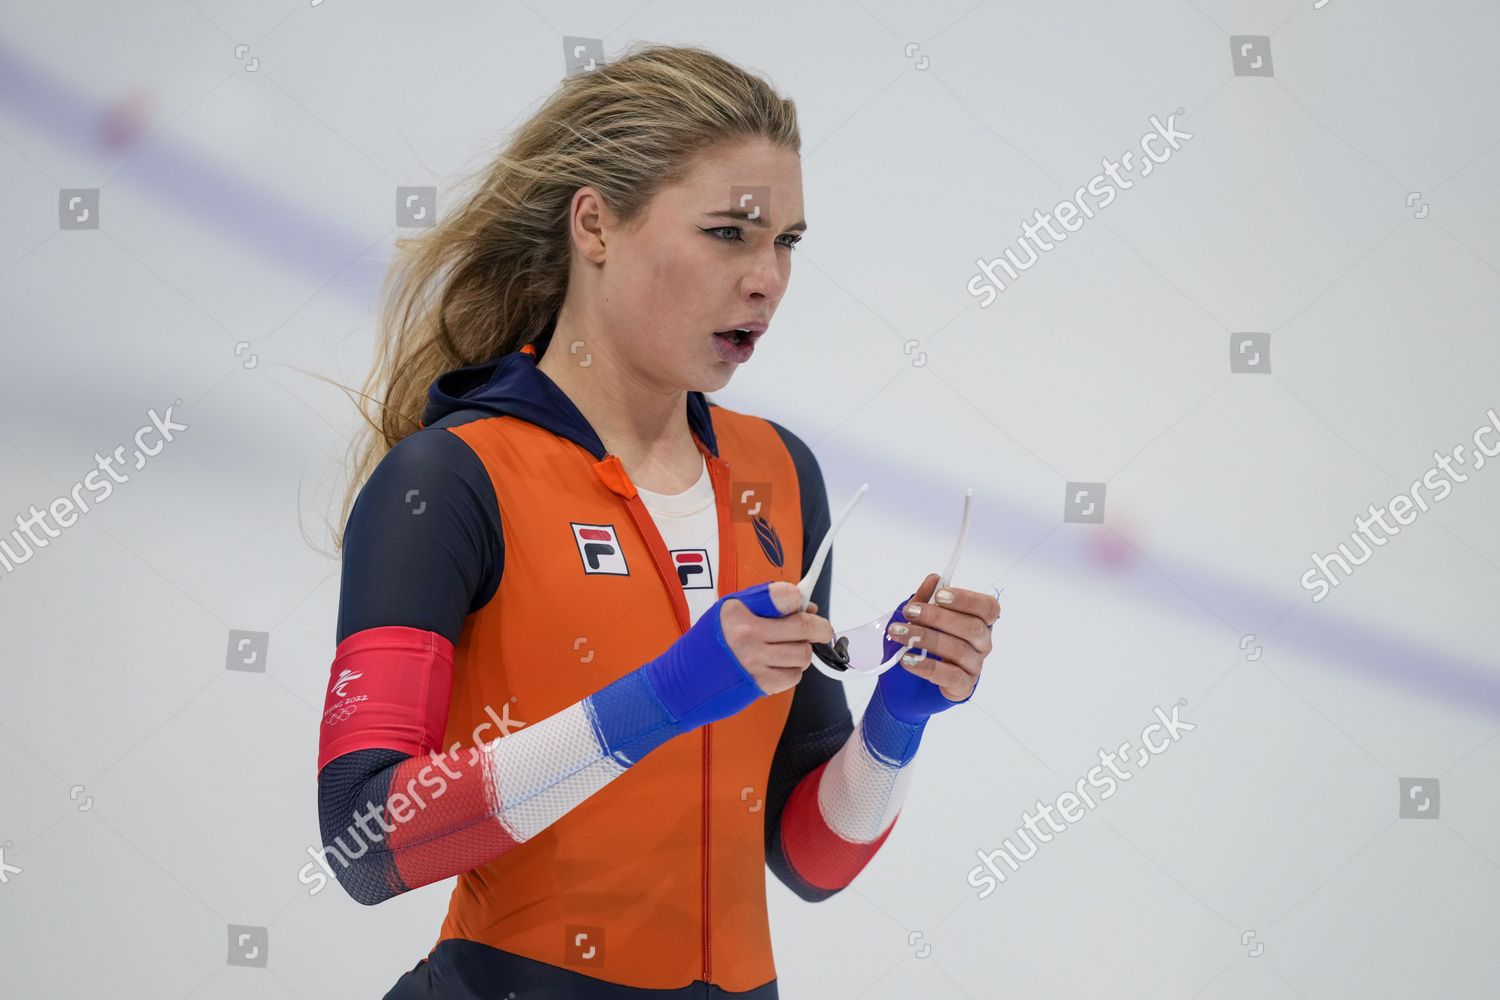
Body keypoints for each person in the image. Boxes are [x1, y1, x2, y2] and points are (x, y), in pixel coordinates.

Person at [317, 42, 1001, 999]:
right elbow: (365, 842)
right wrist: (664, 698)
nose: (769, 279)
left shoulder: (778, 474)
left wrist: (900, 717)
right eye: (731, 233)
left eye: (789, 242)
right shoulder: (450, 479)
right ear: (595, 225)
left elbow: (808, 859)